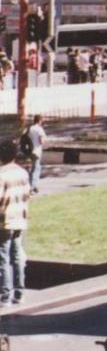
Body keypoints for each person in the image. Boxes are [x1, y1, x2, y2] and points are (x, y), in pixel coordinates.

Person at [0, 137, 31, 306]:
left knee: (2, 258)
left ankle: (5, 295)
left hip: (4, 221)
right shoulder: (22, 172)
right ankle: (19, 292)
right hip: (20, 218)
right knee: (18, 256)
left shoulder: (1, 174)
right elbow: (27, 195)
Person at [25, 114, 47, 193]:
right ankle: (32, 186)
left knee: (34, 168)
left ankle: (32, 184)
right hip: (37, 150)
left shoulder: (30, 128)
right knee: (36, 168)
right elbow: (41, 141)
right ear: (40, 120)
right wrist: (44, 141)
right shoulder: (39, 129)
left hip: (30, 150)